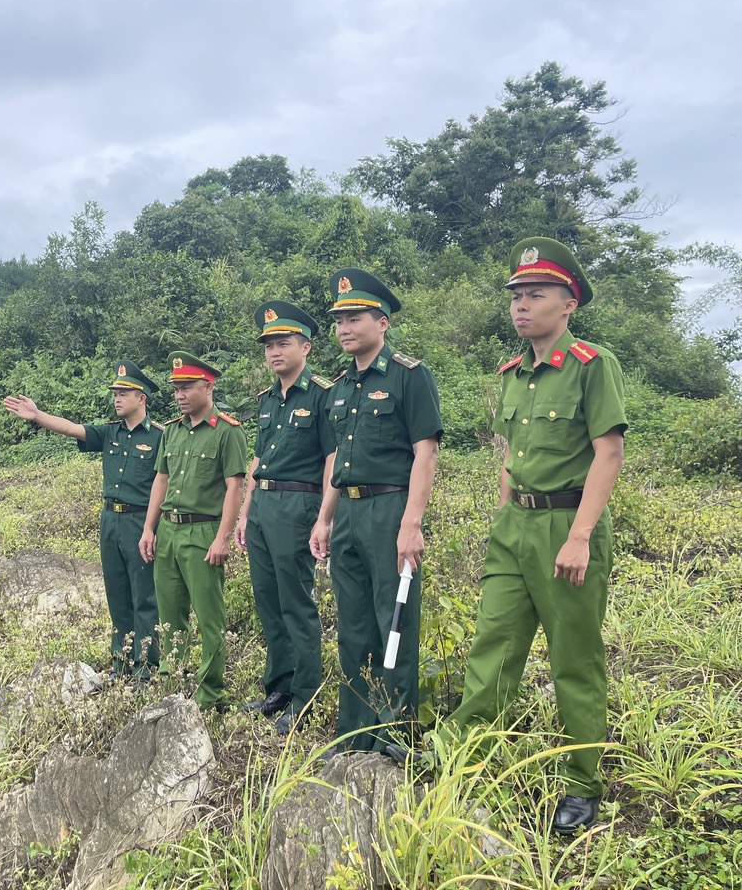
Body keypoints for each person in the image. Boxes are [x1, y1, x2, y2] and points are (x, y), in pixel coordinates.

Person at [391, 238, 626, 836]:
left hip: (565, 527)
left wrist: (578, 537)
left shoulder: (592, 367)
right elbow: (507, 453)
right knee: (493, 643)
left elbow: (608, 454)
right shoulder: (511, 375)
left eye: (536, 294)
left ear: (568, 302)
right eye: (517, 296)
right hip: (514, 527)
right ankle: (463, 754)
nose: (522, 306)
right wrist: (502, 513)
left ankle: (581, 782)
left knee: (574, 657)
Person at [310, 269, 442, 753]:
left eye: (355, 317)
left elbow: (425, 451)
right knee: (354, 622)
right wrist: (325, 518)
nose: (344, 327)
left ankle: (395, 730)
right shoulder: (339, 388)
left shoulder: (410, 375)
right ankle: (354, 730)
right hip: (347, 511)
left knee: (395, 620)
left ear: (382, 322)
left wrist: (412, 524)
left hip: (390, 509)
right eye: (339, 319)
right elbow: (336, 462)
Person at [3, 361, 164, 679]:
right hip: (110, 521)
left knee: (144, 596)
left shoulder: (160, 436)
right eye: (115, 393)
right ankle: (122, 664)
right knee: (117, 594)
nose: (117, 398)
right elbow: (71, 428)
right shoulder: (109, 432)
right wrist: (37, 416)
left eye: (124, 392)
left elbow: (165, 484)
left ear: (141, 397)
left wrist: (152, 527)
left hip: (140, 522)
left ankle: (146, 669)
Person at [234, 302, 335, 734]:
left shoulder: (322, 394)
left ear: (306, 347)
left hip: (298, 506)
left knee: (296, 603)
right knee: (269, 601)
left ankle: (305, 694)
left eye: (283, 343)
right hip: (263, 507)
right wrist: (244, 512)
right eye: (269, 345)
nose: (274, 352)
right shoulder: (266, 401)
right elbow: (258, 459)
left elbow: (333, 457)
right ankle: (279, 686)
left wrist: (323, 518)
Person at [139, 351, 248, 711]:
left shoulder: (227, 432)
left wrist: (222, 537)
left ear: (208, 386)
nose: (180, 395)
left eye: (187, 387)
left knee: (208, 618)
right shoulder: (171, 431)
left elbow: (234, 487)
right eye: (176, 389)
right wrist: (149, 528)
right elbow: (161, 479)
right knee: (170, 617)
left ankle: (209, 694)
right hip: (168, 532)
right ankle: (174, 683)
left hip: (203, 534)